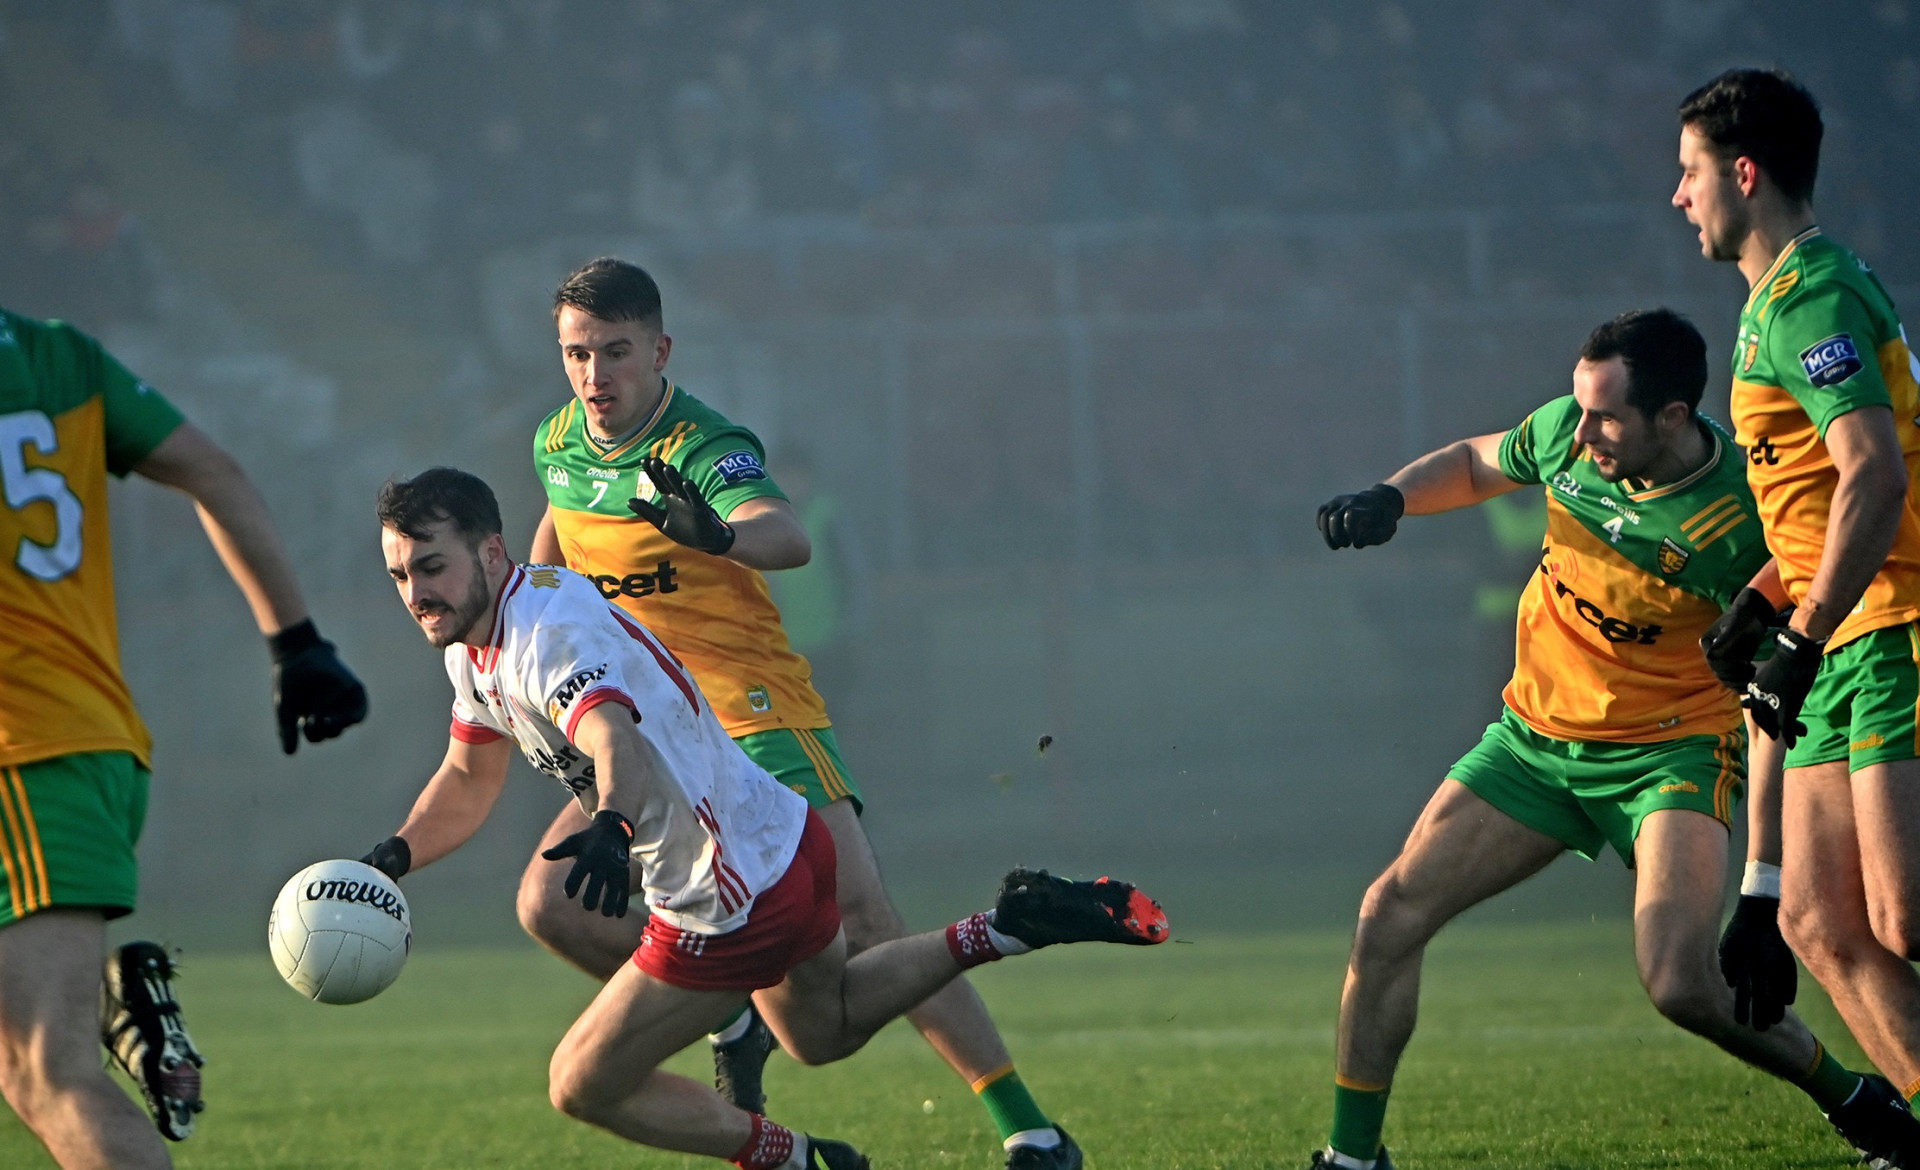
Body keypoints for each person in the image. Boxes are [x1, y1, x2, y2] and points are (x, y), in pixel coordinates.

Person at [361, 467, 1166, 1170]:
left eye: (432, 566)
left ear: (493, 554)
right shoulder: (475, 644)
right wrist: (391, 858)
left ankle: (789, 1159)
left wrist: (611, 822)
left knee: (580, 1083)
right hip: (784, 840)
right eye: (400, 575)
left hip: (724, 896)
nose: (416, 592)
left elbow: (611, 734)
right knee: (826, 1029)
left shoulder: (545, 636)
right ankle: (1010, 924)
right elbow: (468, 778)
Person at [1307, 308, 1916, 1170]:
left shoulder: (1743, 523)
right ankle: (1352, 1161)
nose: (1580, 429)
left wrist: (1760, 888)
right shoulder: (1568, 433)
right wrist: (1394, 497)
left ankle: (1852, 1097)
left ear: (1672, 417)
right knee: (1386, 915)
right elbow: (1480, 460)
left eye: (1605, 416)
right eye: (1578, 407)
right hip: (1533, 742)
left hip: (1668, 755)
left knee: (1681, 983)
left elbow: (1770, 697)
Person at [522, 257, 1085, 1168]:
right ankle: (734, 1005)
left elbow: (784, 534)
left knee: (866, 924)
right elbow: (558, 530)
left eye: (615, 353)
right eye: (576, 355)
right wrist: (533, 602)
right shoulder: (558, 441)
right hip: (652, 729)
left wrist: (717, 535)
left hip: (754, 716)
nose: (595, 377)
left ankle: (1028, 1127)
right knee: (553, 903)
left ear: (660, 351)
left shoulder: (704, 443)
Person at [0, 309, 367, 1168]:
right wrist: (297, 640)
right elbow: (214, 469)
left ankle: (88, 999)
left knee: (46, 1077)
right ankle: (99, 995)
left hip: (23, 751)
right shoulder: (61, 357)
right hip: (77, 736)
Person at [1673, 67, 1920, 1139]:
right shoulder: (1772, 306)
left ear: (1743, 172)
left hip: (1892, 623)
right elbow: (1825, 505)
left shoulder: (1810, 294)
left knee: (1903, 918)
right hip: (1840, 628)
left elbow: (1875, 474)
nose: (1677, 197)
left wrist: (1803, 633)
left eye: (1688, 173)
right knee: (1823, 926)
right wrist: (1771, 597)